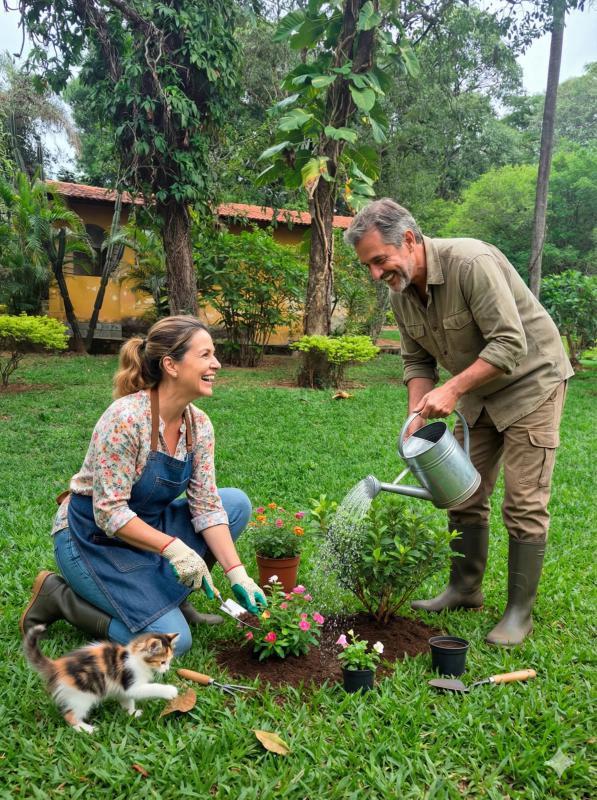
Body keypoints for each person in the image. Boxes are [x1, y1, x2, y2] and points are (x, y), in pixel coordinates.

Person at [344, 199, 573, 646]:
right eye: (368, 266)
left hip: (533, 382)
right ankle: (465, 588)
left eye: (379, 260)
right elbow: (416, 361)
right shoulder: (401, 292)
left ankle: (518, 613)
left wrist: (451, 390)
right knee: (462, 489)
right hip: (478, 390)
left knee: (524, 502)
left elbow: (509, 343)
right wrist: (415, 416)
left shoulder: (472, 262)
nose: (375, 274)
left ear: (408, 240)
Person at [20, 315, 267, 654]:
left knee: (234, 504)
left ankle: (172, 599)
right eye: (205, 355)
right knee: (169, 645)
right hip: (91, 539)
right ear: (171, 365)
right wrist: (174, 548)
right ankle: (60, 599)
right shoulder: (126, 419)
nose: (216, 364)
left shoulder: (199, 426)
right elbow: (108, 513)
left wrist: (237, 572)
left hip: (146, 529)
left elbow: (207, 505)